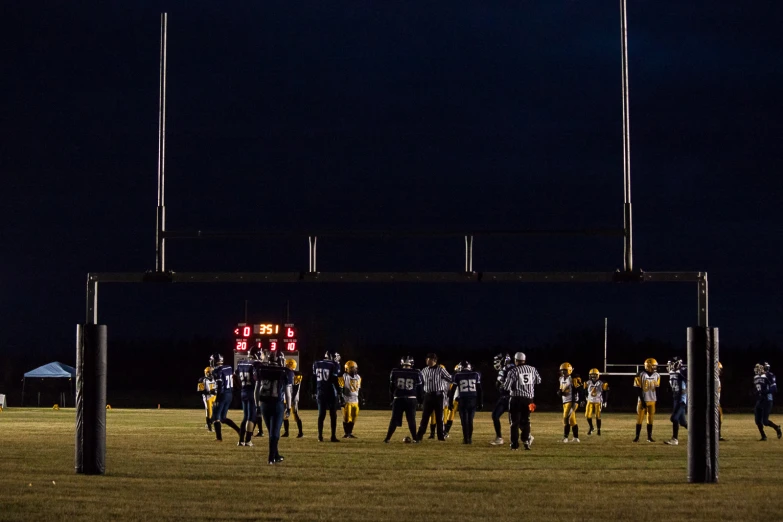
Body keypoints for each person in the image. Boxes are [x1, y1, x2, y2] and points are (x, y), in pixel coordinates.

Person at [255, 351, 294, 464]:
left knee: (271, 431)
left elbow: (256, 390)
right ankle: (271, 458)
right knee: (275, 432)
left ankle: (276, 455)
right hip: (277, 404)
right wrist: (289, 407)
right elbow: (288, 392)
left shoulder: (262, 369)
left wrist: (257, 405)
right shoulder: (285, 371)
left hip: (264, 404)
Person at [503, 352, 540, 450]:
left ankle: (514, 445)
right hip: (529, 399)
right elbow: (538, 381)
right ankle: (526, 441)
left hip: (516, 399)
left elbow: (506, 387)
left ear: (516, 360)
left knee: (514, 423)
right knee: (526, 420)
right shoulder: (532, 369)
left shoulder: (513, 371)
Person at [384, 356, 423, 443]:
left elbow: (391, 388)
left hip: (398, 398)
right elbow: (420, 388)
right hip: (411, 399)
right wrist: (420, 400)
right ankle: (415, 438)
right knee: (411, 419)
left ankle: (387, 438)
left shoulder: (395, 371)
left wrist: (391, 399)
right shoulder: (416, 372)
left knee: (394, 419)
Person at [415, 353, 452, 442]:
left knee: (439, 417)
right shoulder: (424, 370)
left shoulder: (440, 369)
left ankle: (440, 436)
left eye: (429, 359)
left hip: (438, 395)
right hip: (428, 395)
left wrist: (444, 386)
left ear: (434, 360)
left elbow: (450, 378)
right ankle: (419, 435)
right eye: (427, 359)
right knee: (425, 417)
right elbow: (420, 382)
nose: (427, 360)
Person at [209, 353, 241, 442]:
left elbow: (220, 385)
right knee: (222, 418)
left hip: (222, 395)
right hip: (229, 394)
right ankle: (240, 430)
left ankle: (219, 438)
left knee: (216, 416)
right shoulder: (228, 367)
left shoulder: (217, 371)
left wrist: (217, 398)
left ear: (215, 361)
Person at [449, 361, 482, 444]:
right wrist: (480, 402)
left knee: (464, 421)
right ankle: (469, 438)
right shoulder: (476, 374)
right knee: (470, 420)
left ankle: (466, 438)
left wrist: (450, 402)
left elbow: (452, 390)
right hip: (473, 400)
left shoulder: (458, 375)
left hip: (463, 400)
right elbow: (479, 390)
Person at [313, 351, 343, 442]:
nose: (337, 359)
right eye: (336, 357)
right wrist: (339, 392)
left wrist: (313, 391)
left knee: (321, 414)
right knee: (333, 415)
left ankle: (320, 436)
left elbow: (313, 379)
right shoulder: (333, 365)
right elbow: (334, 380)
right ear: (331, 356)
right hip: (330, 392)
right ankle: (333, 436)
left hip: (320, 392)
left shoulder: (316, 363)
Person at [235, 347, 262, 446]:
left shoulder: (241, 363)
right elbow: (258, 380)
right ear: (256, 354)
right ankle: (248, 440)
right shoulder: (256, 364)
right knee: (252, 417)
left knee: (245, 417)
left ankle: (241, 440)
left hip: (243, 391)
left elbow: (235, 375)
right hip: (252, 392)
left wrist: (240, 386)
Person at [633, 358, 660, 443]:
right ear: (648, 365)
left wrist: (657, 399)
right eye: (653, 365)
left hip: (652, 400)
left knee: (650, 419)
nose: (655, 367)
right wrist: (642, 399)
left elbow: (657, 388)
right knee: (639, 419)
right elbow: (637, 388)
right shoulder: (640, 374)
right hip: (643, 400)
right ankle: (637, 437)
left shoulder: (657, 375)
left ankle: (649, 437)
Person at [753, 363, 782, 441]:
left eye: (759, 368)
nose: (757, 369)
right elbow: (757, 389)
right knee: (757, 420)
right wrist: (755, 392)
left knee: (765, 421)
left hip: (767, 400)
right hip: (760, 400)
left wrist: (764, 392)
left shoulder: (768, 376)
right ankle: (763, 436)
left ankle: (777, 428)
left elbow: (774, 389)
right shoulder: (755, 377)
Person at [490, 353, 514, 445]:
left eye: (497, 361)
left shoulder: (508, 369)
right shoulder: (507, 368)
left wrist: (501, 385)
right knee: (496, 416)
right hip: (505, 397)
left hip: (511, 397)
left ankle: (527, 435)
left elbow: (503, 384)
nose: (496, 363)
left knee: (513, 420)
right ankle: (499, 438)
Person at [664, 357, 688, 446]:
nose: (669, 366)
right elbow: (672, 383)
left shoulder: (683, 371)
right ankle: (699, 434)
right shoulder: (672, 372)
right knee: (682, 422)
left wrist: (680, 371)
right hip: (675, 398)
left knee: (674, 418)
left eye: (671, 364)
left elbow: (688, 377)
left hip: (682, 399)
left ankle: (675, 439)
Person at [339, 360, 364, 438]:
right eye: (353, 368)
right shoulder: (344, 377)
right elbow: (340, 389)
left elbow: (359, 389)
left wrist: (362, 398)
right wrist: (341, 399)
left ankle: (350, 433)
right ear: (348, 369)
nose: (355, 370)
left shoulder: (358, 377)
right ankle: (347, 433)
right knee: (347, 418)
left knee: (353, 418)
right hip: (347, 400)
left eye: (355, 368)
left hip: (355, 400)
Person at [558, 362, 582, 443]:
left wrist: (579, 401)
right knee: (572, 420)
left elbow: (578, 390)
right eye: (562, 370)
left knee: (565, 418)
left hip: (572, 401)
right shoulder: (561, 379)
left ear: (569, 370)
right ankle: (576, 438)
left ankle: (565, 438)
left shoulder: (573, 379)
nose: (563, 372)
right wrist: (560, 392)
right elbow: (562, 389)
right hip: (565, 401)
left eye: (565, 370)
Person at [427, 364, 451, 439]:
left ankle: (443, 432)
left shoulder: (447, 380)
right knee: (434, 415)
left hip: (443, 399)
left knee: (442, 417)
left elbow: (449, 391)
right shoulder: (437, 378)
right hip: (438, 399)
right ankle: (433, 433)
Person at [583, 368, 609, 436]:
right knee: (587, 415)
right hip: (590, 400)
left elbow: (605, 392)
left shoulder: (602, 383)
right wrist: (585, 396)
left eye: (595, 375)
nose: (593, 376)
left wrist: (605, 401)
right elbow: (585, 391)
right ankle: (591, 427)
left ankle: (598, 430)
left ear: (598, 375)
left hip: (598, 401)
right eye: (592, 375)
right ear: (590, 375)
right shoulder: (587, 382)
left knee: (598, 416)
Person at [282, 358, 303, 438]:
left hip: (293, 398)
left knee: (295, 414)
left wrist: (291, 399)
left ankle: (300, 432)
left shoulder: (297, 374)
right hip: (287, 397)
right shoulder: (287, 373)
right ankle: (286, 432)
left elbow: (295, 388)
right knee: (285, 415)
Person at [443, 364, 461, 439]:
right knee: (450, 414)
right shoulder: (453, 377)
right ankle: (445, 431)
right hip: (455, 398)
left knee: (451, 414)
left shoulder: (454, 377)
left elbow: (451, 389)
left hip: (456, 398)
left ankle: (445, 431)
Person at [197, 366, 216, 431]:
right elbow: (200, 390)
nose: (211, 373)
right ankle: (209, 426)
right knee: (209, 411)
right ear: (206, 372)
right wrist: (209, 391)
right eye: (210, 372)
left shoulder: (214, 378)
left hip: (214, 396)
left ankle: (209, 423)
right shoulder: (202, 379)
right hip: (207, 397)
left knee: (216, 411)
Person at [718, 361, 725, 441]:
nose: (720, 371)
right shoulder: (715, 379)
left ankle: (718, 435)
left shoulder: (717, 379)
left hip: (716, 402)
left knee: (719, 419)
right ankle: (718, 435)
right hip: (714, 403)